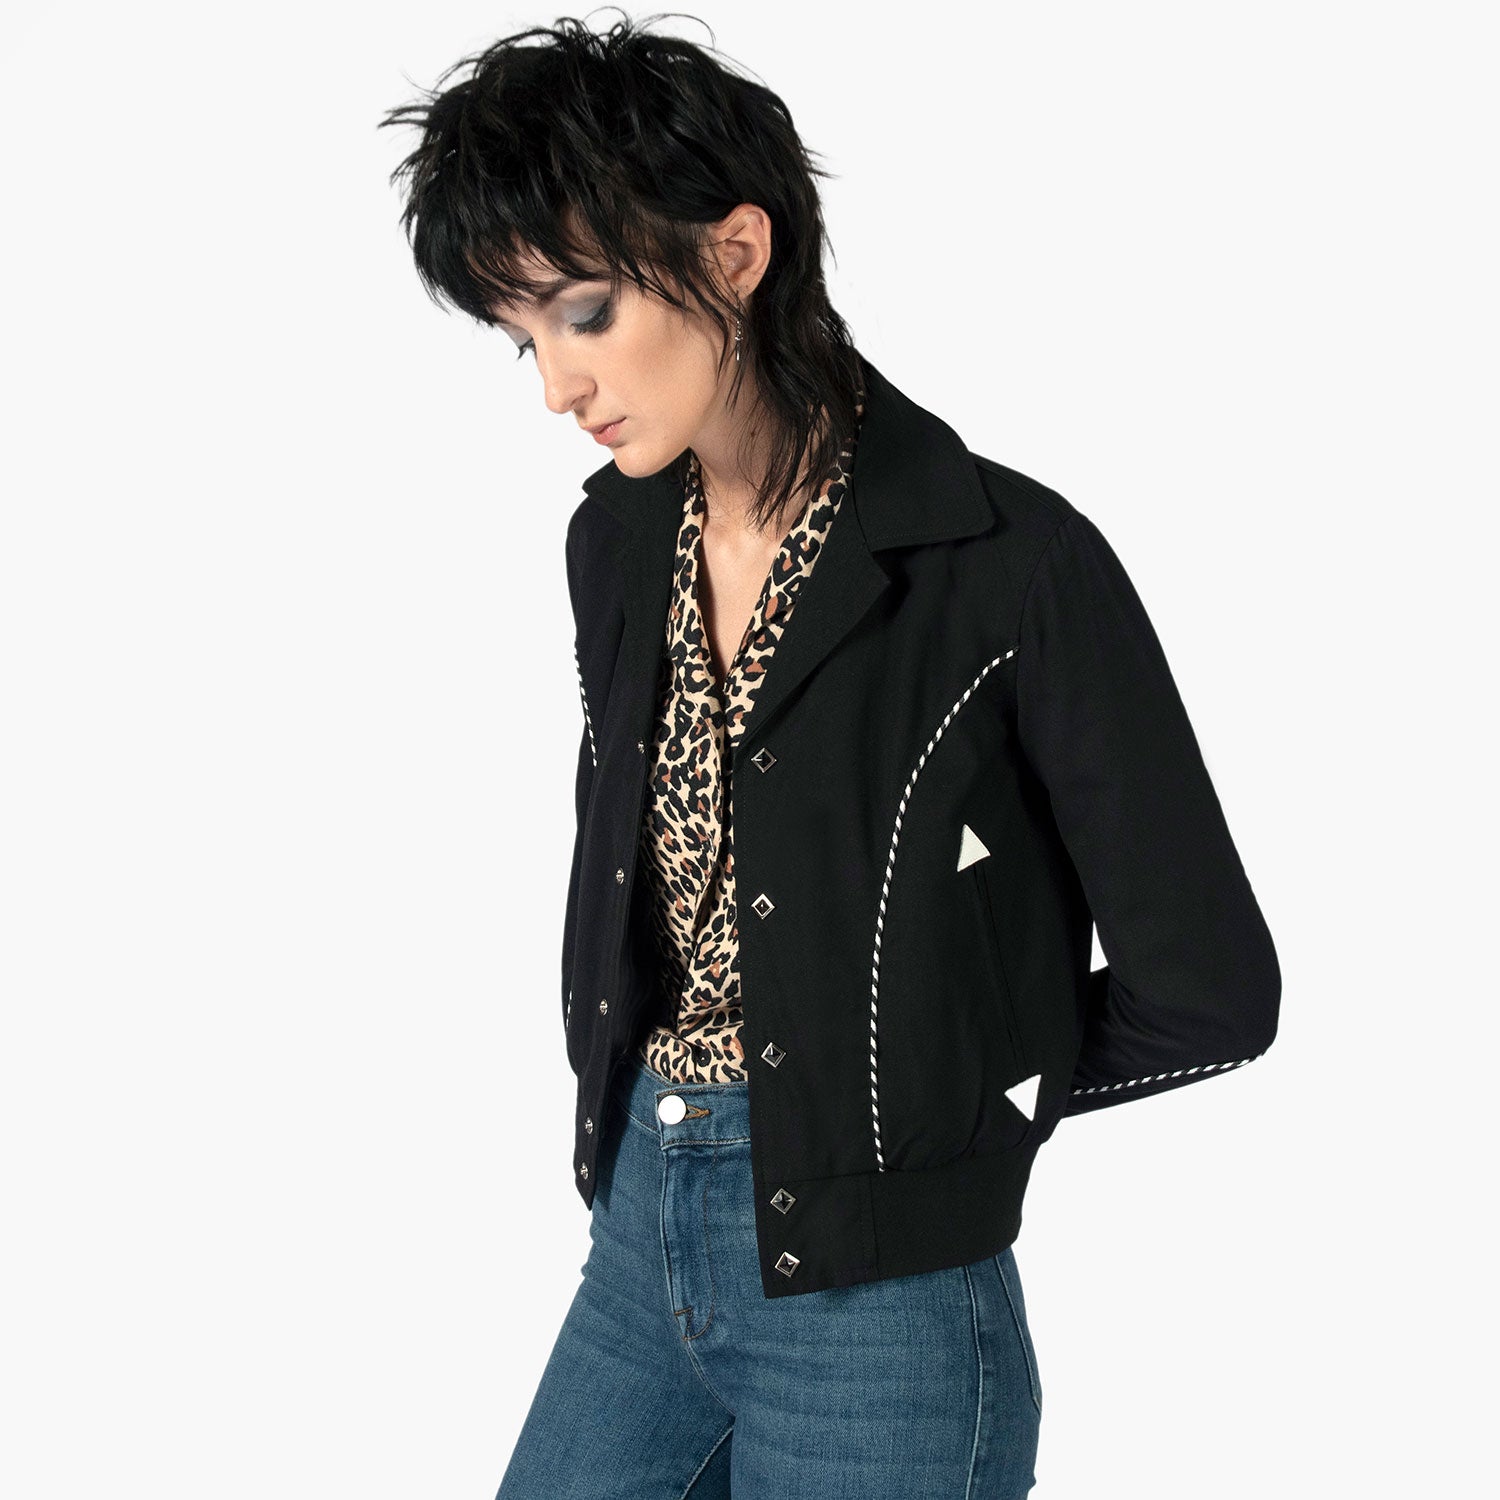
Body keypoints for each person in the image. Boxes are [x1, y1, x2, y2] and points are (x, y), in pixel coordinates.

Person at [379, 12, 1280, 1498]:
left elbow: (1212, 991)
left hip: (882, 1313)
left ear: (738, 252)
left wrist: (928, 1119)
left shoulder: (1009, 563)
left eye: (585, 311)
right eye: (521, 336)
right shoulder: (617, 542)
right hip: (640, 1236)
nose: (555, 386)